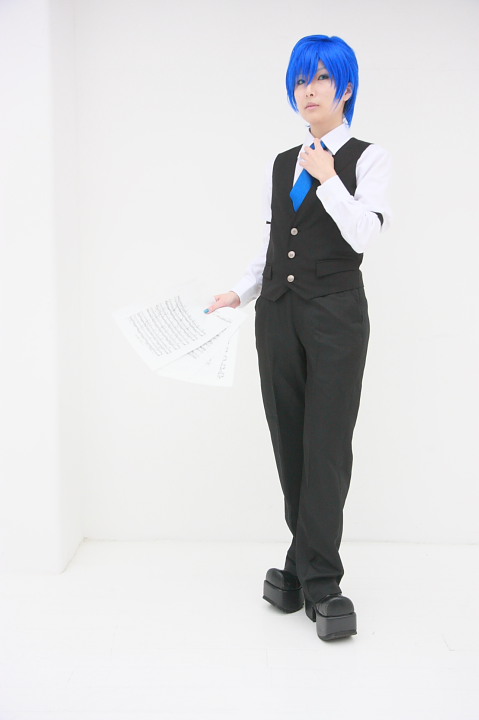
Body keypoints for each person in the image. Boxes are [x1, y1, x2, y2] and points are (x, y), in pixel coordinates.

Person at [205, 34, 392, 641]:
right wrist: (240, 291)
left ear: (346, 88)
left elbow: (364, 236)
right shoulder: (282, 161)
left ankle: (321, 582)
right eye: (301, 80)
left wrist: (330, 179)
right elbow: (274, 241)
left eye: (322, 79)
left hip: (336, 316)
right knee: (290, 442)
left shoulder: (368, 158)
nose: (309, 90)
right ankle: (303, 562)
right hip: (278, 314)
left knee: (327, 446)